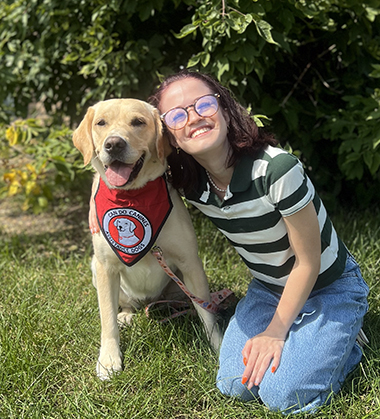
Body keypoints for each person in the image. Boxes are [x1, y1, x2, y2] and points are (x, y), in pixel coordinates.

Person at [90, 70, 369, 414]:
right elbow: (117, 171)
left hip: (327, 283)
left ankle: (345, 336)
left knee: (285, 397)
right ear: (169, 135)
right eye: (178, 114)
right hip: (269, 288)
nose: (193, 117)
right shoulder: (191, 181)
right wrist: (95, 196)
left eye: (203, 104)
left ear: (225, 108)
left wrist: (274, 334)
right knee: (234, 384)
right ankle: (311, 338)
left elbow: (308, 263)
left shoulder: (277, 169)